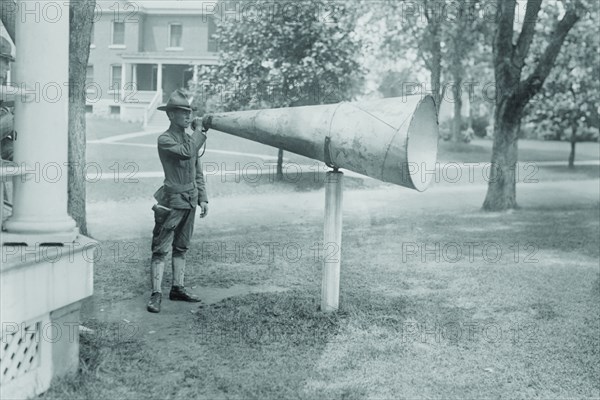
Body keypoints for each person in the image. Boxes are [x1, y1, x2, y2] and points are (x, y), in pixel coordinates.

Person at [147, 89, 209, 313]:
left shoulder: (189, 139)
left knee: (182, 247)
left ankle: (177, 288)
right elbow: (186, 152)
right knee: (160, 249)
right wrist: (199, 132)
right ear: (170, 115)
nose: (187, 116)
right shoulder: (165, 139)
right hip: (171, 202)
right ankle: (156, 294)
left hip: (190, 200)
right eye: (181, 112)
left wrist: (203, 198)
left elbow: (197, 171)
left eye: (189, 111)